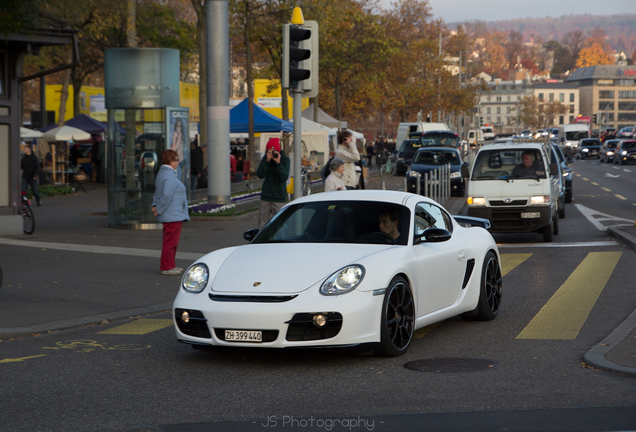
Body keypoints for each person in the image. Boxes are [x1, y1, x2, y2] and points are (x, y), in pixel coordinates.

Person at [151, 149, 190, 276]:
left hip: (172, 213)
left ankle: (170, 265)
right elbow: (166, 195)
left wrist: (155, 206)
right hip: (172, 214)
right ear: (172, 161)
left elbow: (158, 192)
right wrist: (159, 209)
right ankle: (167, 266)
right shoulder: (169, 175)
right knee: (170, 242)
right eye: (177, 160)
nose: (178, 162)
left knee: (170, 241)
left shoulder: (162, 173)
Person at [256, 137, 290, 228]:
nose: (272, 154)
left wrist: (278, 163)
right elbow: (260, 174)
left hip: (279, 196)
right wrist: (266, 161)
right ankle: (262, 241)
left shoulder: (285, 160)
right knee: (263, 224)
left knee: (280, 224)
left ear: (278, 151)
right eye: (270, 151)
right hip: (266, 196)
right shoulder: (266, 159)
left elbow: (284, 177)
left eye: (274, 151)